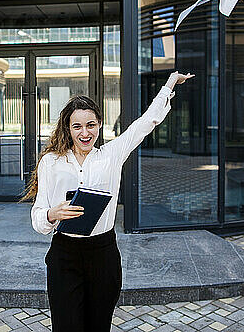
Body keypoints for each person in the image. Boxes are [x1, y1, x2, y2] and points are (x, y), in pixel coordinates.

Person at [23, 71, 195, 332]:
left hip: (103, 254)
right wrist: (50, 214)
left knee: (98, 326)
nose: (84, 132)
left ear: (100, 125)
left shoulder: (111, 155)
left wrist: (169, 84)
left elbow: (146, 122)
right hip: (64, 254)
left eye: (90, 125)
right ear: (68, 128)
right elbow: (37, 215)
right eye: (77, 126)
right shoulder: (51, 162)